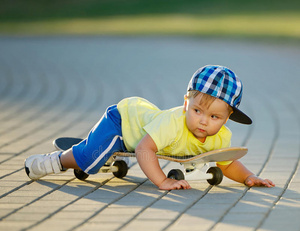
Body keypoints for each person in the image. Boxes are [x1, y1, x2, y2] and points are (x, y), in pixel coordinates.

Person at [25, 65, 275, 190]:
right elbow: (145, 149)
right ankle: (55, 161)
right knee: (91, 158)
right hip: (123, 123)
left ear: (227, 117)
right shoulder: (172, 123)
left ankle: (83, 154)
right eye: (197, 110)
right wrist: (162, 180)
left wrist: (249, 177)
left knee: (98, 157)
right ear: (185, 103)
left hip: (140, 131)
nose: (203, 121)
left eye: (215, 117)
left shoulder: (221, 136)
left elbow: (226, 162)